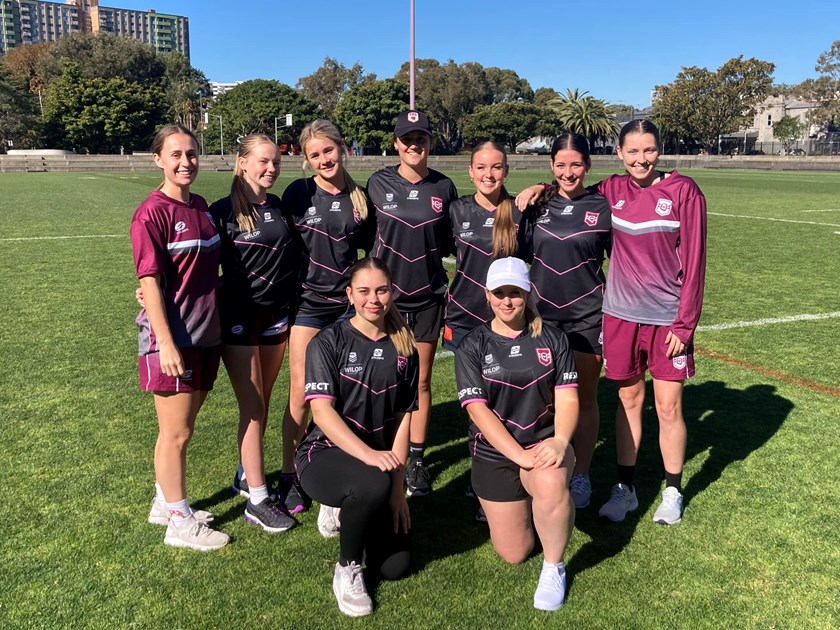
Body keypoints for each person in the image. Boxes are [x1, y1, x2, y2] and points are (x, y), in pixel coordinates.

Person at [518, 120, 707, 525]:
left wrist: (685, 324)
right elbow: (570, 186)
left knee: (669, 406)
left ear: (660, 151)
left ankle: (673, 489)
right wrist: (540, 187)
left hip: (667, 320)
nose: (641, 159)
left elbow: (695, 262)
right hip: (619, 316)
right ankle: (626, 488)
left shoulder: (683, 191)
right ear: (619, 154)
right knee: (628, 401)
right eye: (633, 152)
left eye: (649, 150)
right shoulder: (611, 191)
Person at [295, 257, 418, 617]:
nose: (373, 299)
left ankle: (360, 508)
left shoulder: (404, 346)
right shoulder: (327, 342)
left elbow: (402, 420)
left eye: (381, 290)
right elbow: (322, 414)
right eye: (363, 291)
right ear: (349, 295)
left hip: (377, 467)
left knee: (395, 566)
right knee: (369, 483)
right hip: (324, 455)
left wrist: (398, 489)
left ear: (392, 292)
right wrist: (371, 458)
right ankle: (347, 568)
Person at [455, 257, 578, 611]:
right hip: (496, 453)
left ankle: (554, 566)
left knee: (552, 484)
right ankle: (534, 503)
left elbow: (568, 399)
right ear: (487, 295)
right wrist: (518, 456)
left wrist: (559, 440)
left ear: (528, 293)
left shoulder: (553, 338)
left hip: (544, 443)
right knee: (514, 552)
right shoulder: (472, 346)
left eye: (515, 293)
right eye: (499, 293)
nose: (507, 301)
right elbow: (478, 411)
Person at [130, 124, 228, 551]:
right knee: (176, 435)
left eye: (191, 153)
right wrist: (166, 343)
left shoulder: (202, 206)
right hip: (172, 337)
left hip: (205, 332)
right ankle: (179, 521)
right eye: (175, 155)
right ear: (158, 159)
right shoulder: (151, 212)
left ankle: (162, 501)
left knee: (182, 426)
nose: (186, 162)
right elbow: (149, 280)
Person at [278, 119, 376, 517]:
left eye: (329, 151)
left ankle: (337, 461)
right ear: (306, 159)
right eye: (314, 155)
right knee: (302, 390)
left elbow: (369, 258)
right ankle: (289, 474)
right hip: (308, 306)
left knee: (349, 390)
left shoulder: (361, 198)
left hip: (347, 309)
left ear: (343, 149)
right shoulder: (298, 193)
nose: (323, 160)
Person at [211, 133, 300, 533]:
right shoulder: (222, 211)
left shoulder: (281, 207)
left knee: (261, 403)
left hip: (277, 319)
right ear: (242, 162)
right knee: (253, 405)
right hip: (238, 319)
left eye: (276, 162)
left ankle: (245, 476)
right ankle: (259, 501)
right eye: (263, 161)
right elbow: (191, 260)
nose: (271, 169)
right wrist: (151, 289)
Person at [366, 110, 458, 496]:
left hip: (427, 299)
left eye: (421, 138)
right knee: (378, 379)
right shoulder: (377, 183)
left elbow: (456, 241)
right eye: (407, 139)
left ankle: (416, 460)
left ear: (429, 143)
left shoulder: (444, 186)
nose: (414, 145)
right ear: (396, 143)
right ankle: (374, 450)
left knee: (418, 381)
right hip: (383, 303)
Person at [522, 134, 611, 510]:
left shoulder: (602, 207)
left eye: (576, 164)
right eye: (560, 165)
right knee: (542, 401)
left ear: (587, 166)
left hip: (587, 317)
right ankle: (540, 471)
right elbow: (520, 253)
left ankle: (581, 475)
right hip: (541, 320)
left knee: (585, 399)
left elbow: (621, 261)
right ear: (551, 167)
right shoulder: (537, 205)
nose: (568, 171)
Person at [443, 141, 528, 351]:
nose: (488, 174)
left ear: (506, 171)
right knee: (469, 384)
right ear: (471, 171)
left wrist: (541, 187)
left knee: (507, 382)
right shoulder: (455, 210)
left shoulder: (521, 211)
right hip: (463, 315)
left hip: (508, 315)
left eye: (496, 167)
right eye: (481, 167)